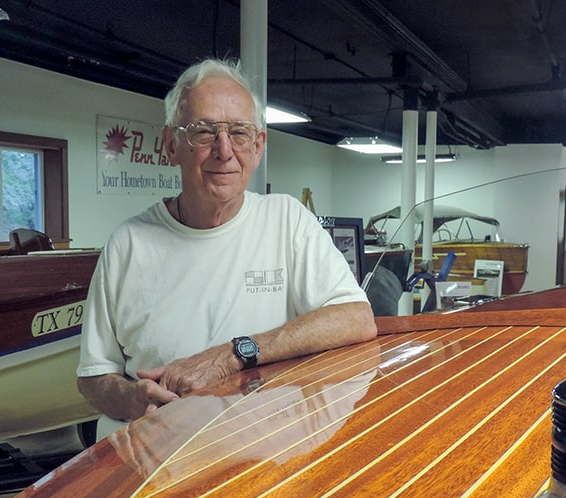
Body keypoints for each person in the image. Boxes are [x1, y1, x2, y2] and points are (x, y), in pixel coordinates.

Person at [76, 58, 377, 424]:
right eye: (203, 132)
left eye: (239, 132)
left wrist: (231, 356)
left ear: (258, 145)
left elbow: (356, 319)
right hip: (156, 462)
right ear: (172, 144)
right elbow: (94, 375)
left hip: (259, 462)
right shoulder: (128, 244)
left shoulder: (286, 220)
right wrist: (131, 399)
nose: (223, 150)